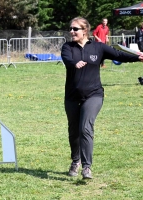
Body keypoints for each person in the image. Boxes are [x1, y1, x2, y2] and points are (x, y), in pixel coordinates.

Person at [61, 17, 143, 179]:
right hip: (71, 96)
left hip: (94, 95)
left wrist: (138, 57)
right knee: (74, 131)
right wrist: (74, 63)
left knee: (85, 127)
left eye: (75, 29)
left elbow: (118, 55)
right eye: (71, 29)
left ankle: (86, 167)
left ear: (85, 30)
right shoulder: (67, 47)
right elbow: (67, 59)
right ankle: (75, 160)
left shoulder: (98, 47)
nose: (72, 31)